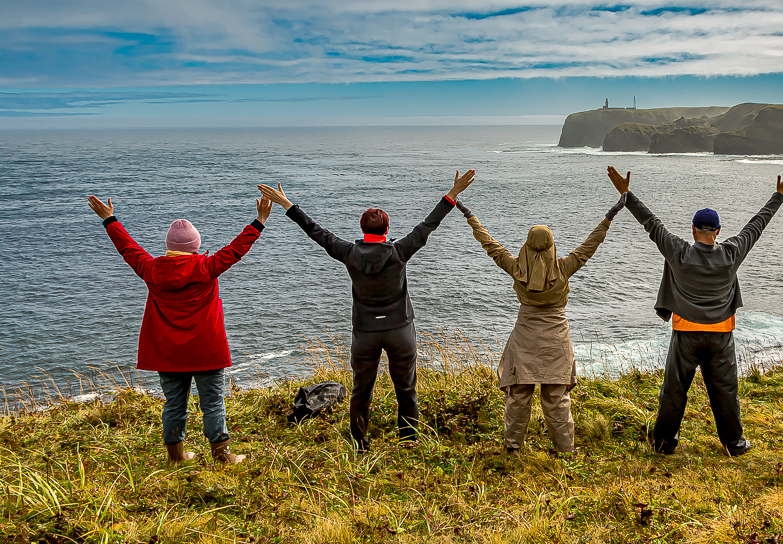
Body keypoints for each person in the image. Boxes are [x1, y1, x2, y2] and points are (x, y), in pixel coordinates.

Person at [257, 172, 475, 452]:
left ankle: (360, 442)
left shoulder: (349, 252)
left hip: (365, 333)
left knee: (362, 389)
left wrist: (288, 204)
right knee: (406, 386)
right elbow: (428, 224)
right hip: (399, 330)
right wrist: (452, 194)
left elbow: (316, 231)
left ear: (362, 229)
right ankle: (408, 440)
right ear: (387, 229)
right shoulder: (399, 251)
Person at [608, 165, 783, 456]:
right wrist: (778, 196)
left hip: (686, 334)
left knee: (674, 391)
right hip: (721, 335)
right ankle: (734, 444)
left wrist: (626, 194)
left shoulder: (679, 252)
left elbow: (651, 223)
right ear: (718, 231)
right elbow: (757, 225)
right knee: (725, 391)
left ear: (693, 229)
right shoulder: (732, 253)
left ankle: (663, 443)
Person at [86, 192, 273, 464]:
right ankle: (222, 457)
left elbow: (127, 247)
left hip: (168, 351)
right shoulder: (207, 266)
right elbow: (236, 249)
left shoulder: (151, 269)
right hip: (206, 348)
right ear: (196, 246)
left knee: (174, 404)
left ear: (168, 247)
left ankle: (176, 457)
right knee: (213, 403)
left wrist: (109, 219)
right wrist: (259, 221)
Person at [456, 192, 626, 454]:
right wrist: (612, 213)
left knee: (519, 398)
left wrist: (469, 215)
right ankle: (565, 451)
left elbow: (489, 243)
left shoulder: (515, 267)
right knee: (557, 400)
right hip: (556, 339)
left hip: (524, 336)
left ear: (527, 244)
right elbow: (592, 243)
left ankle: (513, 449)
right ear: (551, 244)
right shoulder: (564, 267)